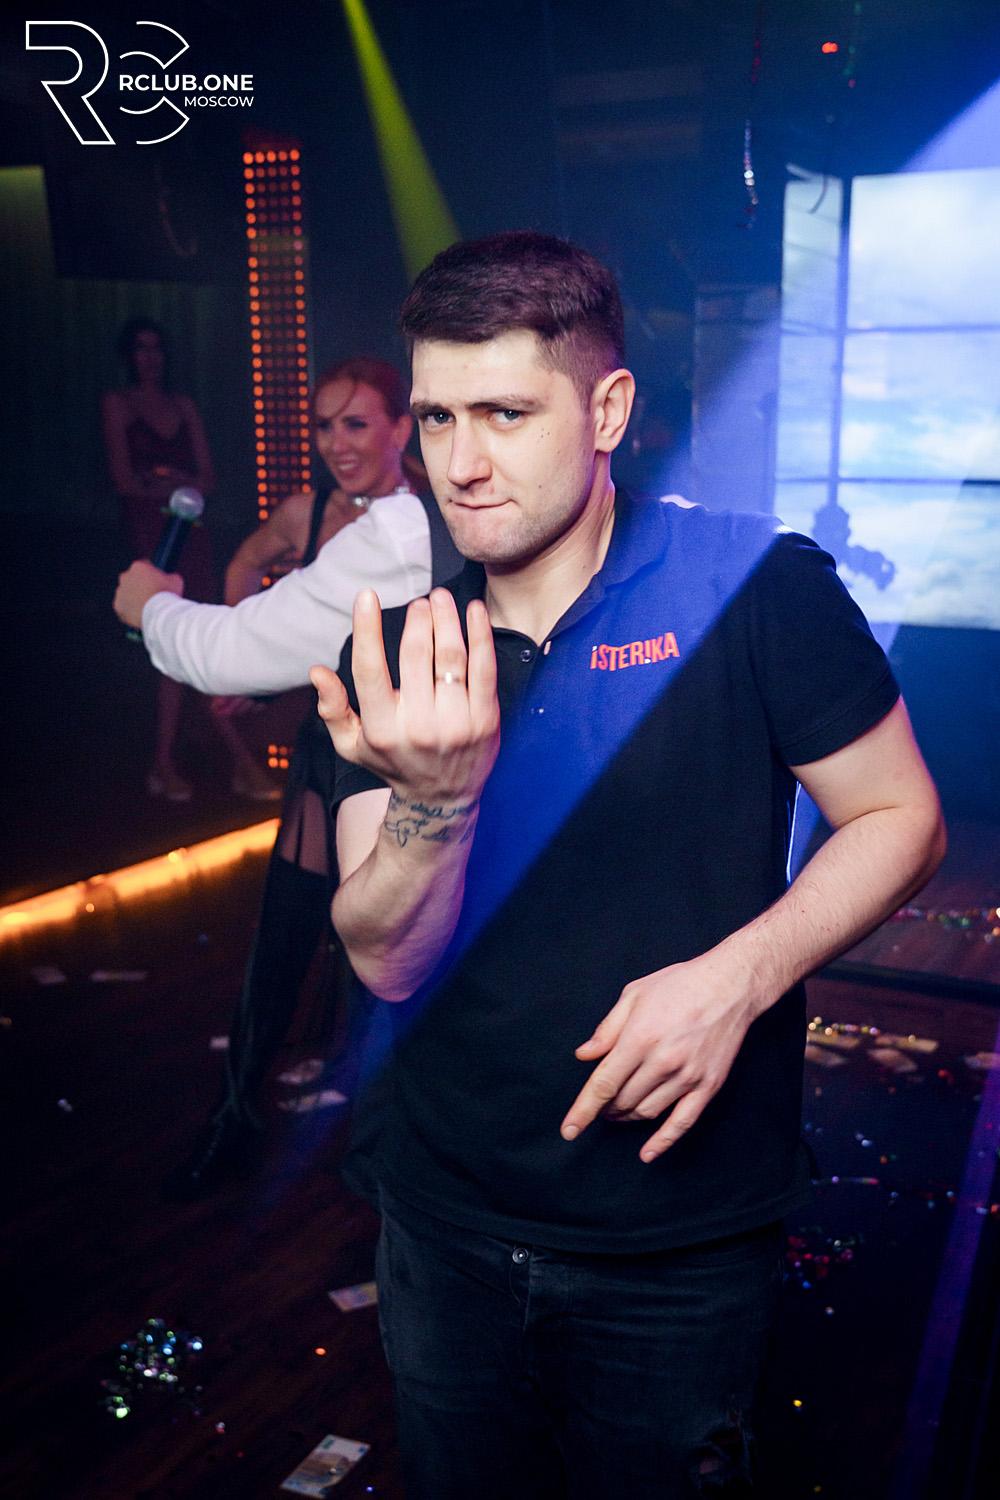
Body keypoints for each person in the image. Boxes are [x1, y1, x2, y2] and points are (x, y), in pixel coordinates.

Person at [309, 231, 946, 1499]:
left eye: (505, 413)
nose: (461, 463)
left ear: (605, 410)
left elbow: (900, 818)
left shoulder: (750, 587)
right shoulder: (403, 647)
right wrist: (435, 799)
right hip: (445, 1220)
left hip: (677, 1236)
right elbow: (387, 962)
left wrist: (736, 977)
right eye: (436, 418)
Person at [112, 360, 462, 1196]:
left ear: (400, 429)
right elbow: (250, 584)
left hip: (400, 765)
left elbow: (265, 636)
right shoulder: (309, 515)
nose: (337, 444)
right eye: (323, 427)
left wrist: (218, 644)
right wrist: (256, 669)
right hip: (326, 751)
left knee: (382, 950)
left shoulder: (416, 522)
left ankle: (383, 1148)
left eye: (356, 424)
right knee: (286, 932)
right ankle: (239, 1116)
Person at [103, 316, 277, 802]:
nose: (150, 358)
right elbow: (124, 479)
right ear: (128, 355)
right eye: (141, 348)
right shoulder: (118, 403)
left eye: (156, 348)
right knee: (172, 648)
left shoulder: (182, 405)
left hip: (191, 534)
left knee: (194, 641)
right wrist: (167, 484)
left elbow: (207, 478)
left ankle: (189, 765)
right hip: (149, 534)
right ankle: (215, 764)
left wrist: (173, 482)